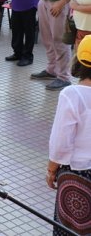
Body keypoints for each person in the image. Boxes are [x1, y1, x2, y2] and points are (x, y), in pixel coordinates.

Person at [47, 35, 91, 235]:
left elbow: (61, 141)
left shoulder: (72, 95)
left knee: (70, 230)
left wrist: (51, 170)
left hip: (77, 174)